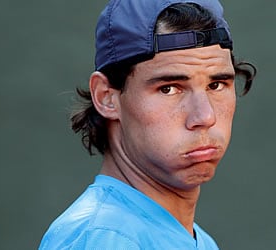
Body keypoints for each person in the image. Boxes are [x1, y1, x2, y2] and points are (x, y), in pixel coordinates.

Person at [39, 0, 256, 249]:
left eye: (216, 85)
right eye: (168, 88)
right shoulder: (103, 238)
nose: (205, 117)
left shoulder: (198, 241)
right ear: (106, 98)